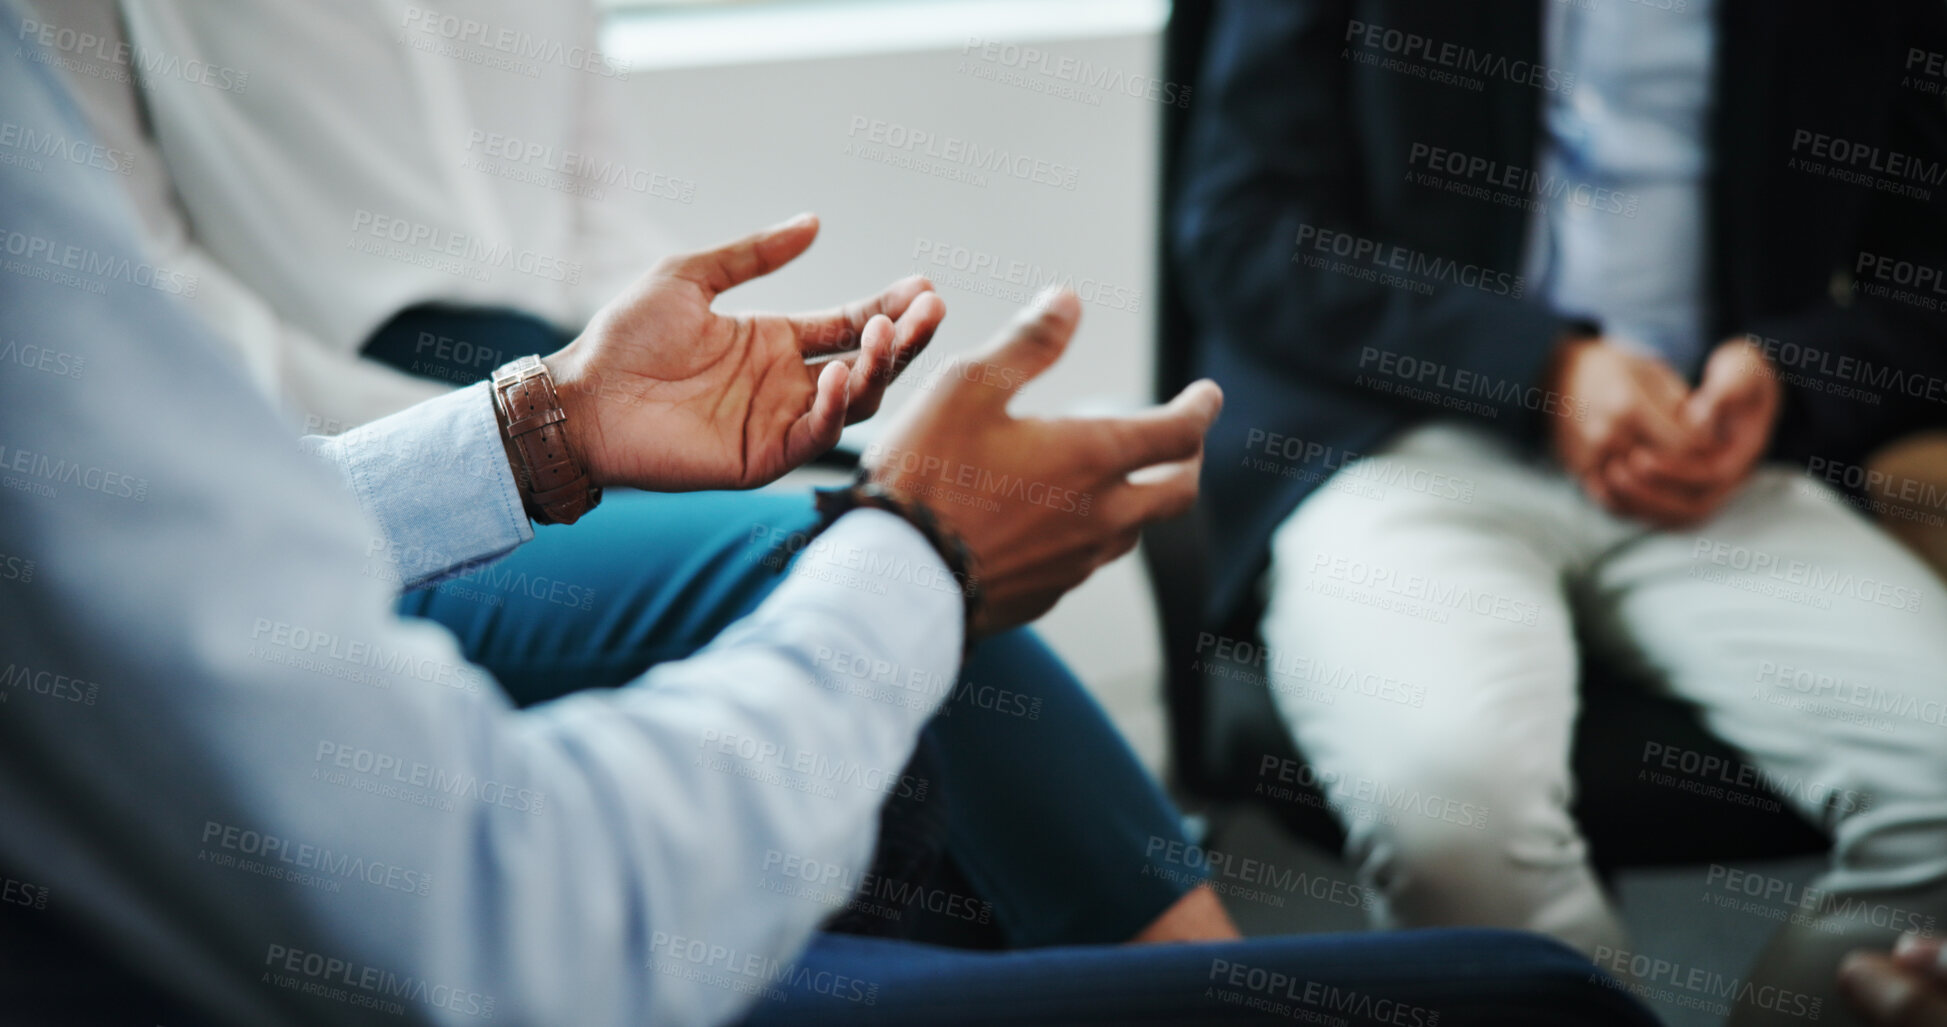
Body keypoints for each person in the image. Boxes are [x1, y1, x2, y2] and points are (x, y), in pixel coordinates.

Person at [0, 19, 1671, 1025]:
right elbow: (149, 334)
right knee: (1546, 1004)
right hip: (311, 396)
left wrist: (548, 418)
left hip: (482, 399)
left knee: (835, 598)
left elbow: (588, 202)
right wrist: (917, 563)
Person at [17, 0, 1243, 949]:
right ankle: (1191, 957)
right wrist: (519, 428)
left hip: (558, 371)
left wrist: (599, 400)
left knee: (865, 507)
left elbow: (591, 197)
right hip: (303, 421)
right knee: (855, 549)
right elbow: (147, 304)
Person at [1172, 1, 1947, 1023]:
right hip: (1397, 441)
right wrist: (1540, 366)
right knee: (1450, 814)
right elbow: (1242, 229)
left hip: (1713, 455)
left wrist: (1792, 374)